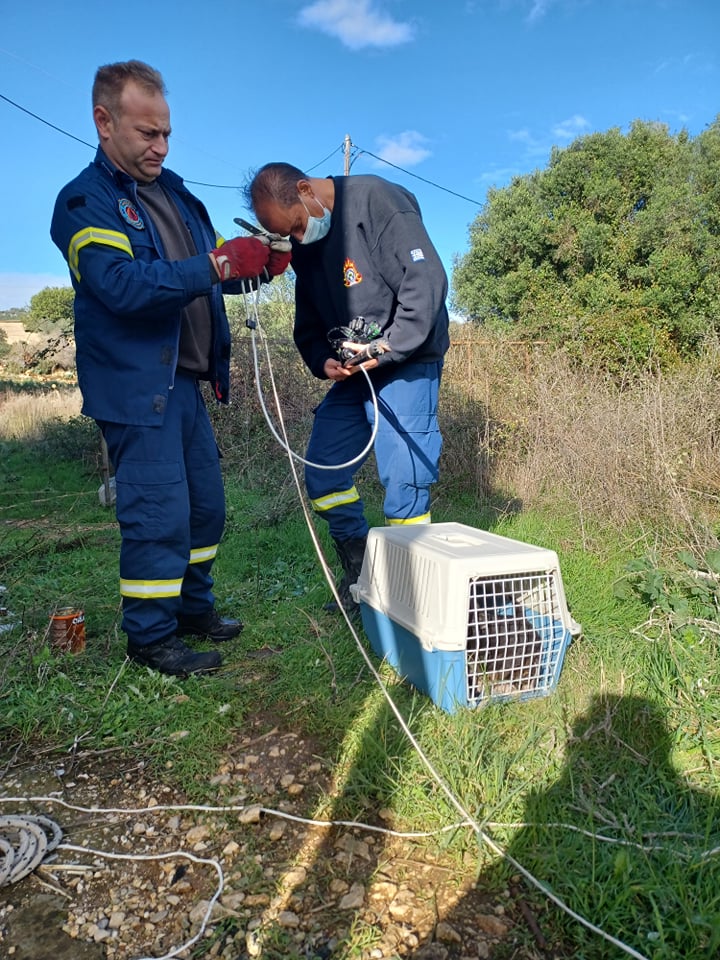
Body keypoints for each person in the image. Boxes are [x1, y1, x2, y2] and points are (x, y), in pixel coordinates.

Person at [50, 61, 291, 677]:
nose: (160, 146)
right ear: (104, 123)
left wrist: (257, 265)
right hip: (135, 387)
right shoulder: (84, 200)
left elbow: (207, 280)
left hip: (186, 383)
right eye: (146, 133)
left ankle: (191, 609)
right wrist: (215, 266)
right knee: (159, 513)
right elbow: (123, 287)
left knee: (205, 507)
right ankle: (150, 637)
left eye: (166, 134)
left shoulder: (177, 195)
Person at [246, 163, 449, 612]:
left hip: (406, 361)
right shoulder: (306, 244)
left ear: (306, 190)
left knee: (405, 484)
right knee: (322, 472)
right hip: (356, 372)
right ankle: (363, 577)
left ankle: (409, 602)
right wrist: (323, 359)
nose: (298, 239)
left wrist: (389, 345)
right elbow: (309, 319)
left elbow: (426, 280)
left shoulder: (377, 201)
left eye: (297, 225)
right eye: (288, 235)